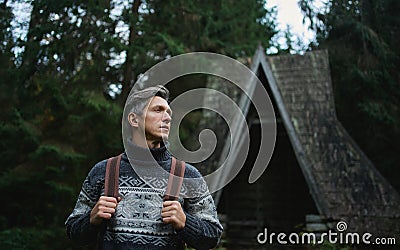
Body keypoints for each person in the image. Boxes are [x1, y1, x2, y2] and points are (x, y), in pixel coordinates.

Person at [65, 85, 223, 249]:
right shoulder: (103, 171)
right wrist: (91, 218)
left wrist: (186, 222)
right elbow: (73, 231)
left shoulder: (187, 175)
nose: (167, 118)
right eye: (158, 110)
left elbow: (212, 236)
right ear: (134, 120)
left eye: (169, 113)